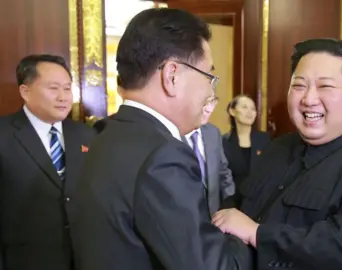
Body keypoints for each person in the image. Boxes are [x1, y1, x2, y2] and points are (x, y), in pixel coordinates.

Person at [71, 8, 252, 270]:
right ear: (172, 76)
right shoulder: (163, 155)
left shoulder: (106, 134)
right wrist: (246, 234)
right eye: (208, 77)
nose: (209, 92)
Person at [213, 39, 342, 269]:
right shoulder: (277, 148)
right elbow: (237, 205)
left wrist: (256, 233)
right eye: (299, 86)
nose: (308, 99)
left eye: (325, 86)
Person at [0, 54, 94, 270]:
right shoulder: (4, 135)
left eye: (68, 88)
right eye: (53, 88)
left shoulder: (85, 135)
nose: (63, 97)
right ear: (25, 91)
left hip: (83, 259)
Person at [184, 95, 235, 215]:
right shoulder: (172, 133)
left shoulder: (213, 132)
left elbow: (223, 172)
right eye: (204, 102)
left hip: (213, 213)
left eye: (213, 102)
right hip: (184, 215)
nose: (209, 109)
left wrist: (231, 204)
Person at [222, 95, 270, 206]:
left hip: (260, 202)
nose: (250, 112)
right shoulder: (223, 142)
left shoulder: (265, 139)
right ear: (232, 111)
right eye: (244, 107)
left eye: (253, 109)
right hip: (232, 202)